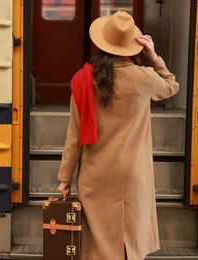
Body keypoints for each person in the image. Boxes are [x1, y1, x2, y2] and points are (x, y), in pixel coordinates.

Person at [57, 11, 179, 260]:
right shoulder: (145, 78)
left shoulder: (83, 80)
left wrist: (65, 177)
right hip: (134, 175)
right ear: (131, 46)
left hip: (96, 175)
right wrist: (153, 56)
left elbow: (75, 134)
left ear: (102, 42)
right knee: (129, 242)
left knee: (97, 247)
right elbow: (171, 85)